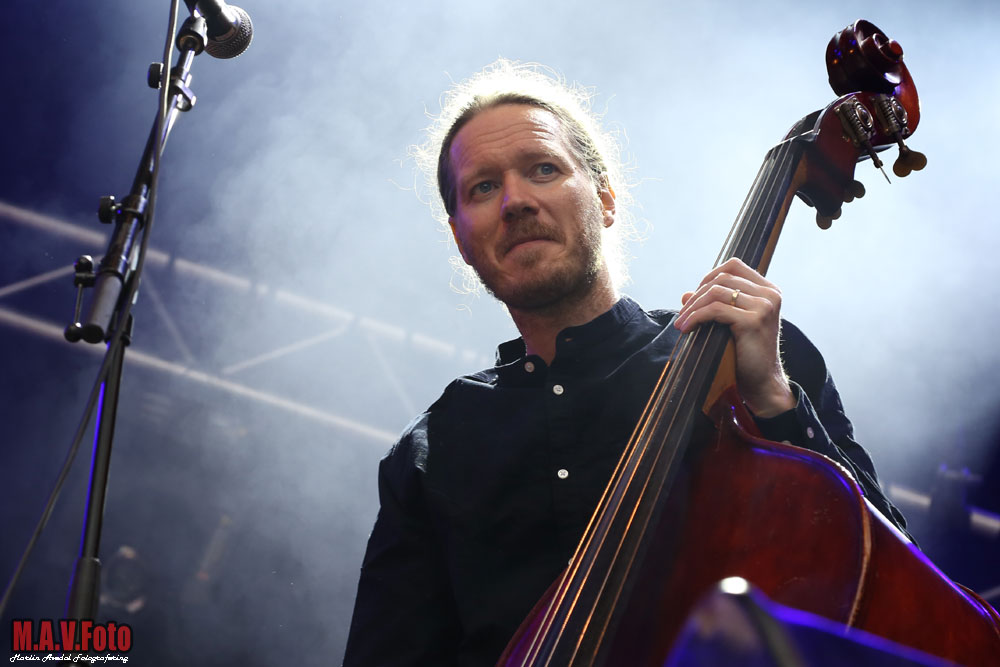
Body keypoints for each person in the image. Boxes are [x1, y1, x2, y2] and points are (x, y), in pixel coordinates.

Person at [342, 60, 907, 666]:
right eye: (482, 188)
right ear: (461, 239)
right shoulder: (433, 451)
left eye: (543, 169)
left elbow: (896, 576)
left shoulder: (751, 353)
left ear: (606, 198)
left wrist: (772, 397)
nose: (515, 201)